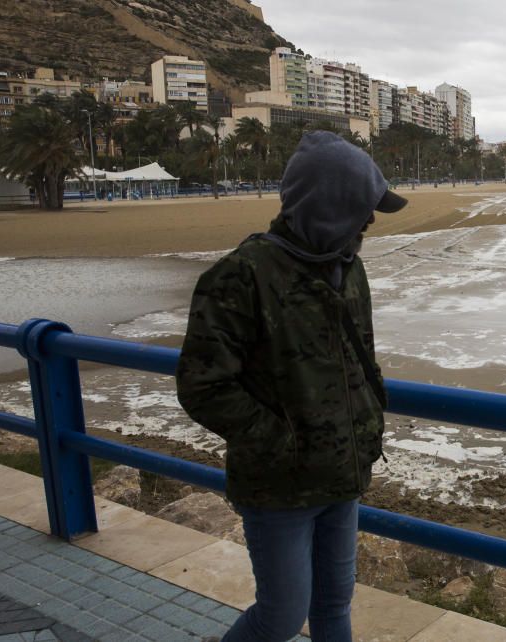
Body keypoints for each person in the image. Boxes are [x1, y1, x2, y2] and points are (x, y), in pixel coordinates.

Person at [176, 131, 407, 642]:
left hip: (344, 476)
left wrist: (363, 433)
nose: (369, 220)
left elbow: (361, 359)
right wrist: (284, 443)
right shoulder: (241, 276)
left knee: (333, 606)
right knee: (281, 615)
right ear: (330, 205)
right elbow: (202, 384)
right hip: (279, 488)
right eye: (362, 207)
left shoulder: (349, 268)